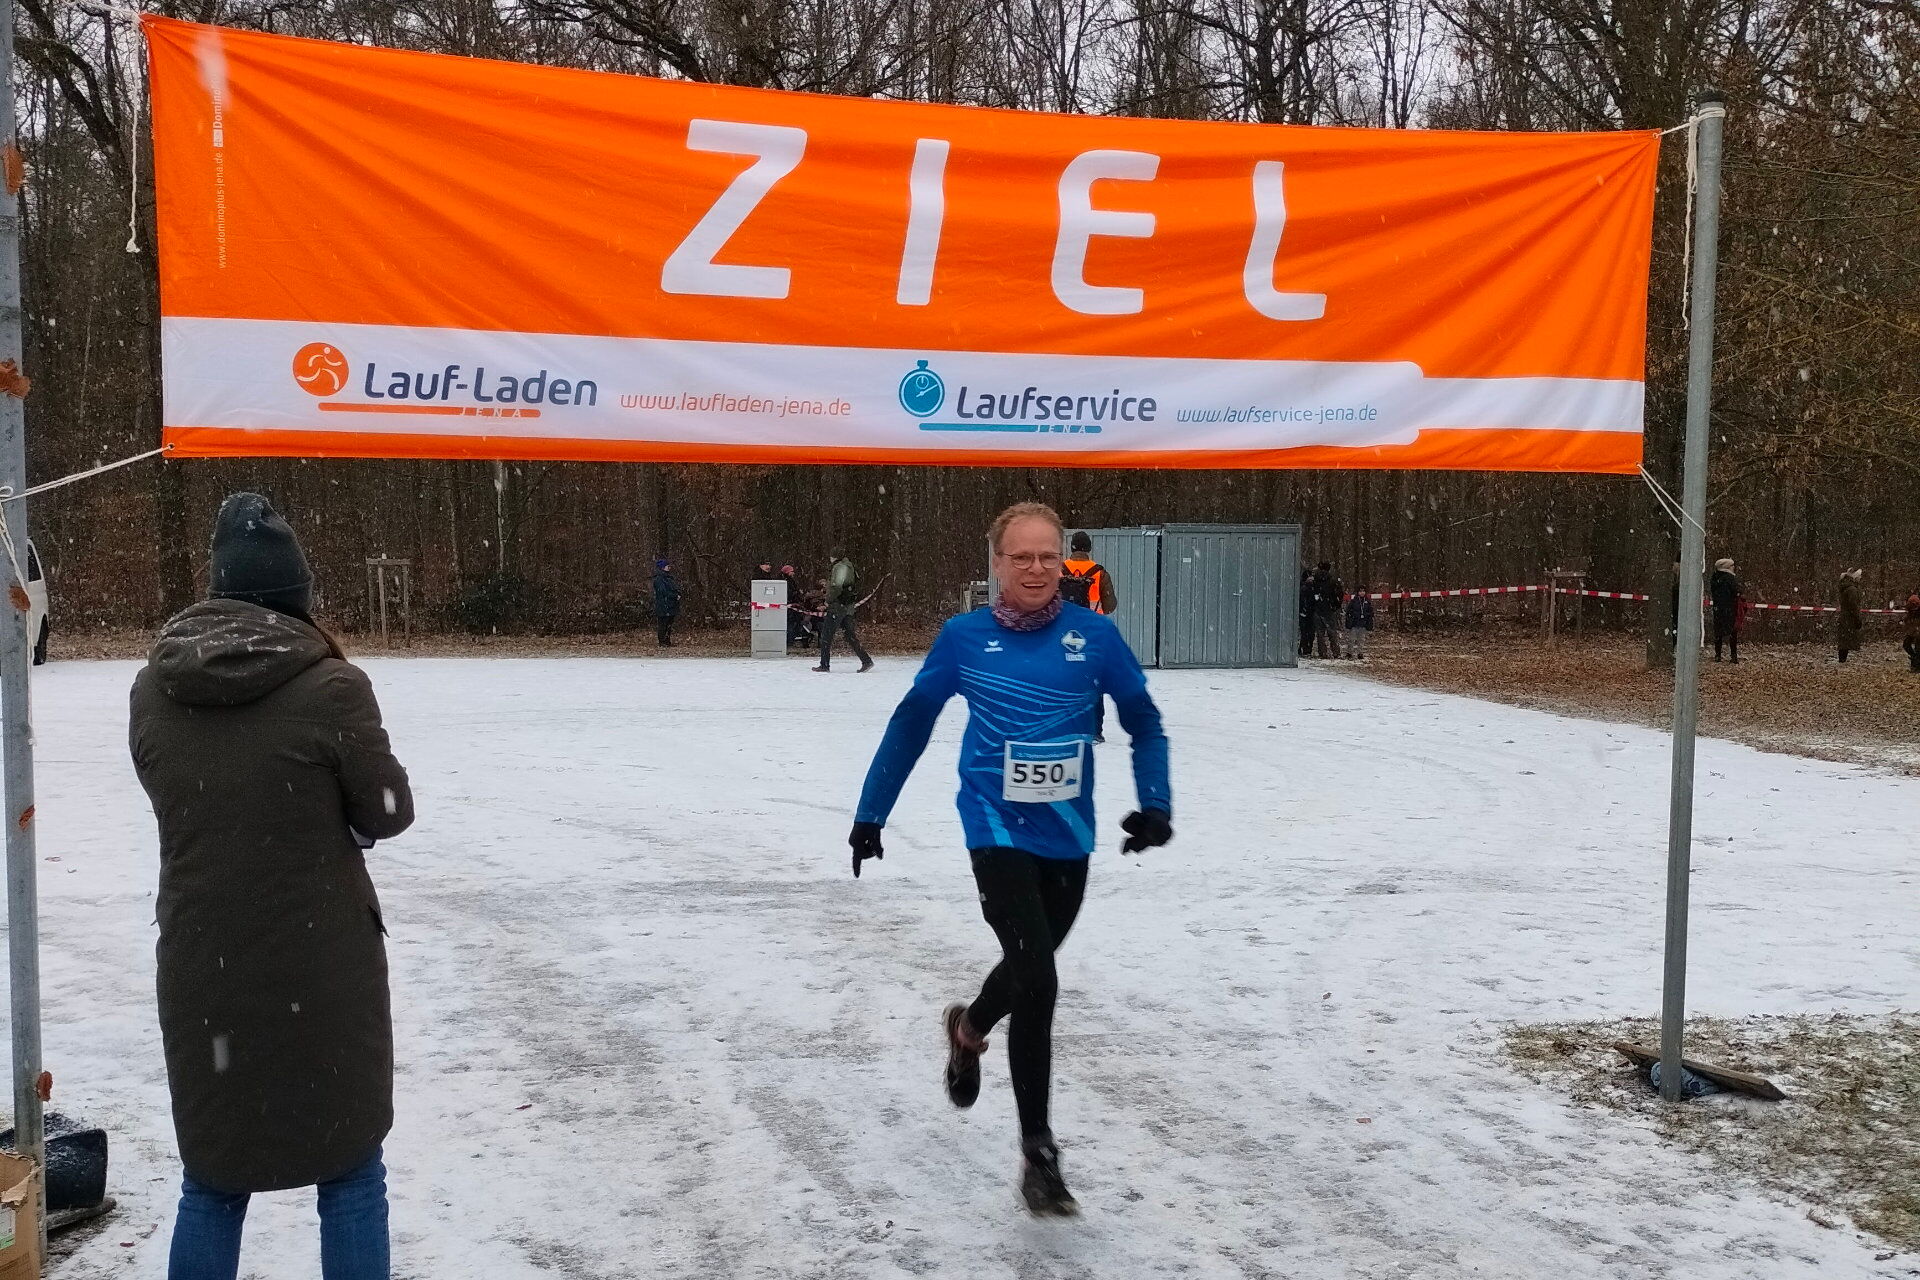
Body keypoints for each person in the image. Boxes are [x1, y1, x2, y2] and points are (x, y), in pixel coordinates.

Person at [847, 501, 1171, 1216]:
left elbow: (1144, 722)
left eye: (1046, 556)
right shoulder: (965, 638)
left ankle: (968, 1030)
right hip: (993, 825)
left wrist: (1156, 804)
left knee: (1031, 966)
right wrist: (872, 813)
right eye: (1020, 556)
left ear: (1064, 563)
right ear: (996, 563)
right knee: (1039, 980)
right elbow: (912, 721)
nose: (1034, 568)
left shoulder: (1095, 636)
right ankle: (1039, 1154)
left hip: (1069, 832)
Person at [129, 493, 414, 1280]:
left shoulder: (152, 690)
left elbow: (176, 797)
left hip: (204, 962)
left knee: (213, 1180)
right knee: (350, 1174)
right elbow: (387, 812)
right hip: (322, 968)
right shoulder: (333, 688)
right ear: (298, 595)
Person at [1061, 532, 1119, 740]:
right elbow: (1110, 606)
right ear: (1088, 548)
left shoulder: (1060, 569)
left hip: (1064, 631)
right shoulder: (1099, 573)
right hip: (1092, 631)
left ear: (1072, 548)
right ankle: (1095, 730)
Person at [814, 548, 873, 673]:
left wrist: (828, 600)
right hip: (847, 606)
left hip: (837, 606)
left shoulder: (839, 567)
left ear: (834, 557)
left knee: (826, 635)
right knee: (850, 635)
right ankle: (866, 660)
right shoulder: (850, 566)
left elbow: (836, 587)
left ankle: (824, 665)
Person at [1309, 561, 1343, 659]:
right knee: (1332, 632)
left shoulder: (1315, 581)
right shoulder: (1333, 581)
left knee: (1320, 634)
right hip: (1329, 609)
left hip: (1318, 609)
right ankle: (1335, 652)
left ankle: (1322, 652)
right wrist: (1335, 606)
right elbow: (1339, 594)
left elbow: (1311, 595)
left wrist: (1314, 605)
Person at [1710, 557, 1741, 663]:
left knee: (1718, 632)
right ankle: (1733, 656)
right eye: (1732, 566)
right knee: (1733, 632)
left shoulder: (1715, 578)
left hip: (1718, 608)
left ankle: (1718, 655)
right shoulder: (1730, 578)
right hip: (1730, 608)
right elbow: (1736, 591)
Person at [1836, 568, 1863, 664]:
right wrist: (1857, 619)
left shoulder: (1845, 588)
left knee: (1844, 642)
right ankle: (1842, 661)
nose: (1860, 578)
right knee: (1846, 642)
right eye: (1859, 576)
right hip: (1849, 619)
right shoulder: (1852, 590)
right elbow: (1853, 606)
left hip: (1845, 618)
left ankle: (1842, 660)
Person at [652, 558, 681, 647]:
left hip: (669, 604)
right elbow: (663, 592)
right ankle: (662, 641)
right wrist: (674, 596)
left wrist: (676, 594)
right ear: (662, 567)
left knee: (668, 624)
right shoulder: (659, 579)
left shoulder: (668, 578)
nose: (669, 568)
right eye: (667, 566)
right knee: (663, 624)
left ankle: (667, 641)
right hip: (664, 605)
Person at [1344, 584, 1374, 659]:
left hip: (1363, 623)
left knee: (1361, 640)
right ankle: (1349, 653)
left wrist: (1368, 621)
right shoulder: (1354, 601)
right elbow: (1348, 611)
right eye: (1360, 591)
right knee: (1351, 639)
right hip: (1354, 623)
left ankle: (1360, 653)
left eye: (1363, 591)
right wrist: (1352, 617)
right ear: (1358, 592)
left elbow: (1371, 613)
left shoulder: (1367, 601)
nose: (1362, 593)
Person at [1298, 569, 1314, 658]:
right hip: (1307, 613)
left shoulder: (1304, 587)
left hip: (1307, 613)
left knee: (1306, 632)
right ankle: (1305, 649)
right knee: (1306, 632)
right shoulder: (1306, 588)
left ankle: (1304, 648)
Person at [1904, 592, 1920, 673]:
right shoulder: (1909, 610)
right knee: (1906, 644)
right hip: (1913, 630)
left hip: (1917, 631)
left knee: (1918, 648)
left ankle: (1916, 667)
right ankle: (1914, 658)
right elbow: (1908, 621)